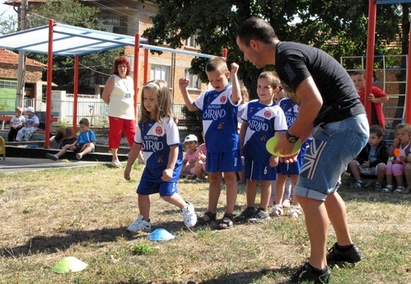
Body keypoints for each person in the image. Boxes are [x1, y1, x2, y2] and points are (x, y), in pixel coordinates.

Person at [237, 17, 369, 283]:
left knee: (307, 195)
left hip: (342, 127)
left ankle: (317, 270)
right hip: (343, 125)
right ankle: (345, 249)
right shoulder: (290, 53)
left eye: (244, 50)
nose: (246, 57)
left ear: (254, 43)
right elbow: (316, 107)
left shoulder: (286, 57)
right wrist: (296, 142)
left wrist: (291, 135)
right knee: (325, 190)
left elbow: (313, 101)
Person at [124, 80, 197, 233]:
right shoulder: (142, 124)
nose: (147, 102)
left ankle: (186, 207)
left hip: (169, 165)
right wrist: (129, 165)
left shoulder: (168, 123)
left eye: (152, 99)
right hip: (152, 166)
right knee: (142, 192)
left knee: (166, 194)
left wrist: (170, 168)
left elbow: (174, 148)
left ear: (161, 100)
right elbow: (137, 145)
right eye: (145, 98)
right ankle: (144, 221)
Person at [179, 56, 242, 230]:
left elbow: (236, 98)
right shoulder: (207, 95)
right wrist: (183, 90)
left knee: (229, 178)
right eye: (211, 80)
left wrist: (235, 75)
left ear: (227, 75)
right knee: (214, 177)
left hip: (228, 144)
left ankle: (229, 214)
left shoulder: (230, 91)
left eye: (219, 79)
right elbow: (192, 107)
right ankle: (211, 212)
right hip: (212, 145)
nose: (215, 83)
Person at [235, 71, 287, 223]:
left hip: (267, 154)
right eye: (259, 87)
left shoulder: (277, 111)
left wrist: (275, 154)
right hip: (251, 151)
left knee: (265, 182)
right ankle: (250, 208)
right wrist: (241, 143)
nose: (261, 90)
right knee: (250, 180)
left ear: (276, 90)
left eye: (266, 87)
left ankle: (263, 210)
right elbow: (244, 126)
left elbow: (280, 135)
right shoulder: (250, 106)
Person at [271, 88, 312, 219]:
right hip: (283, 143)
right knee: (281, 176)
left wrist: (299, 142)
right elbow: (277, 122)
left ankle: (296, 206)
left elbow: (308, 124)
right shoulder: (283, 103)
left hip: (299, 144)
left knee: (295, 177)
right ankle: (278, 204)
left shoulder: (304, 102)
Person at [102, 56, 137, 168]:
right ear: (117, 68)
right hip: (116, 113)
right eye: (120, 66)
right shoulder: (113, 79)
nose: (122, 68)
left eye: (124, 66)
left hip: (129, 113)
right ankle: (114, 157)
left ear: (127, 67)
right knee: (115, 135)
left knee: (133, 134)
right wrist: (114, 105)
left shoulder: (130, 80)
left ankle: (139, 155)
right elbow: (104, 96)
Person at [349, 125, 388, 191]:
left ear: (380, 138)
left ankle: (378, 183)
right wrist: (363, 163)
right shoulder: (365, 146)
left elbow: (383, 159)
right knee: (353, 163)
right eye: (368, 137)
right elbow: (360, 157)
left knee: (382, 166)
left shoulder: (383, 147)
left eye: (373, 138)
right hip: (365, 166)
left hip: (375, 167)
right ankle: (359, 182)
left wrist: (371, 164)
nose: (370, 140)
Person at [382, 123, 411, 193]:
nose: (400, 136)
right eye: (398, 134)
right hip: (397, 163)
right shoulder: (397, 145)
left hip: (405, 165)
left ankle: (400, 186)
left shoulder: (409, 145)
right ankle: (389, 185)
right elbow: (391, 154)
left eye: (403, 134)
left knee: (396, 167)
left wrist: (406, 158)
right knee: (388, 165)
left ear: (409, 136)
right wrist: (394, 145)